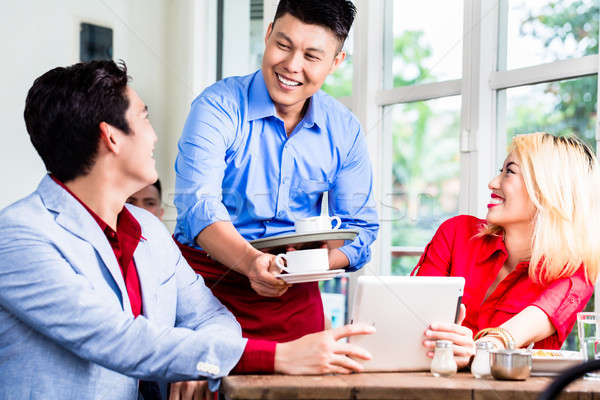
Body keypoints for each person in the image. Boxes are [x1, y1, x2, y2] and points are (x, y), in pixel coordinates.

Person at [0, 60, 375, 399]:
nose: (154, 136)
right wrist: (280, 356)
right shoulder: (19, 236)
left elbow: (212, 317)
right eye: (144, 118)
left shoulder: (148, 229)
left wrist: (200, 362)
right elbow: (118, 339)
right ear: (111, 137)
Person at [174, 0, 379, 343]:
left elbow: (360, 229)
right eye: (283, 45)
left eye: (312, 56)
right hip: (205, 289)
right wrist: (253, 262)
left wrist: (313, 264)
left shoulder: (344, 129)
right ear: (268, 34)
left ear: (335, 63)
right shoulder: (217, 107)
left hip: (294, 298)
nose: (291, 66)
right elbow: (198, 207)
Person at [412, 132, 600, 368]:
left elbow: (521, 328)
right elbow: (411, 320)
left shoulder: (574, 271)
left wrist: (480, 350)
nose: (493, 183)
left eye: (509, 171)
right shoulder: (457, 233)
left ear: (548, 190)